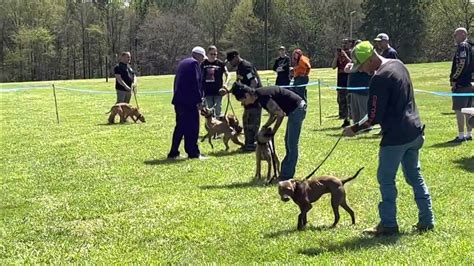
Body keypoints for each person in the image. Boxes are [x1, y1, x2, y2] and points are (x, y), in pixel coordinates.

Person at [342, 41, 435, 236]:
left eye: (362, 66)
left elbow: (374, 117)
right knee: (414, 176)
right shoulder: (398, 64)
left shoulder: (379, 78)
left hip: (396, 137)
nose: (363, 71)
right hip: (415, 131)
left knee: (386, 179)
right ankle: (427, 220)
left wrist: (355, 128)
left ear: (370, 58)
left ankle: (389, 224)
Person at [231, 83, 306, 181]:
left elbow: (280, 114)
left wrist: (273, 131)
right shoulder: (260, 97)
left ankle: (286, 176)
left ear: (247, 95)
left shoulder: (263, 97)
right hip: (295, 109)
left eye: (243, 101)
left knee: (291, 143)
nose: (244, 104)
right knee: (288, 142)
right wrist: (265, 126)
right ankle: (285, 173)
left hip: (297, 109)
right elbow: (273, 114)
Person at [167, 46, 207, 160]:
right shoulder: (194, 64)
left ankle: (173, 152)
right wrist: (199, 100)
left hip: (179, 101)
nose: (202, 61)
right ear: (198, 56)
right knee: (193, 127)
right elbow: (195, 83)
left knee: (180, 127)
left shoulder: (182, 63)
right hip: (189, 102)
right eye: (202, 58)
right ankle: (193, 153)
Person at [225, 50, 262, 152]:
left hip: (254, 100)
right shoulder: (239, 68)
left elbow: (254, 82)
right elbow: (238, 84)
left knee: (252, 122)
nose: (230, 63)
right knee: (246, 121)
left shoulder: (246, 66)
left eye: (231, 60)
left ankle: (252, 145)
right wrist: (229, 91)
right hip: (247, 101)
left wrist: (250, 95)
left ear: (236, 57)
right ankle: (248, 144)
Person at [449, 27, 473, 143]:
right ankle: (469, 134)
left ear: (463, 34)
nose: (455, 37)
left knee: (459, 110)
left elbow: (461, 64)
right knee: (469, 110)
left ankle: (461, 135)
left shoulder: (463, 46)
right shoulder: (471, 46)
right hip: (470, 83)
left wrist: (454, 78)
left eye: (456, 35)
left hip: (462, 84)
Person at [345, 40, 371, 123]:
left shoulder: (366, 61)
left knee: (363, 109)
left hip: (362, 89)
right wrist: (354, 67)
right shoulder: (354, 62)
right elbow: (347, 70)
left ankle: (365, 126)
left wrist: (354, 68)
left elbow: (355, 69)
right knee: (354, 110)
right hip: (353, 89)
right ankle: (356, 125)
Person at [201, 45, 229, 118]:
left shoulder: (220, 63)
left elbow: (228, 75)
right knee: (209, 111)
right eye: (211, 54)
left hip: (218, 91)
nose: (213, 56)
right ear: (207, 54)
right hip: (207, 92)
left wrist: (226, 84)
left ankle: (218, 126)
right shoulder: (203, 64)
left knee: (218, 110)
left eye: (215, 54)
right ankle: (212, 127)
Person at [331, 39, 352, 127]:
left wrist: (345, 55)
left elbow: (351, 62)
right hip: (340, 79)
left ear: (349, 44)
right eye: (343, 43)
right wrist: (336, 56)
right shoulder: (339, 54)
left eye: (346, 43)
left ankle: (349, 116)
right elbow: (333, 66)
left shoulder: (351, 52)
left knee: (349, 99)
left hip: (348, 79)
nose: (344, 45)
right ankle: (342, 115)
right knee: (341, 99)